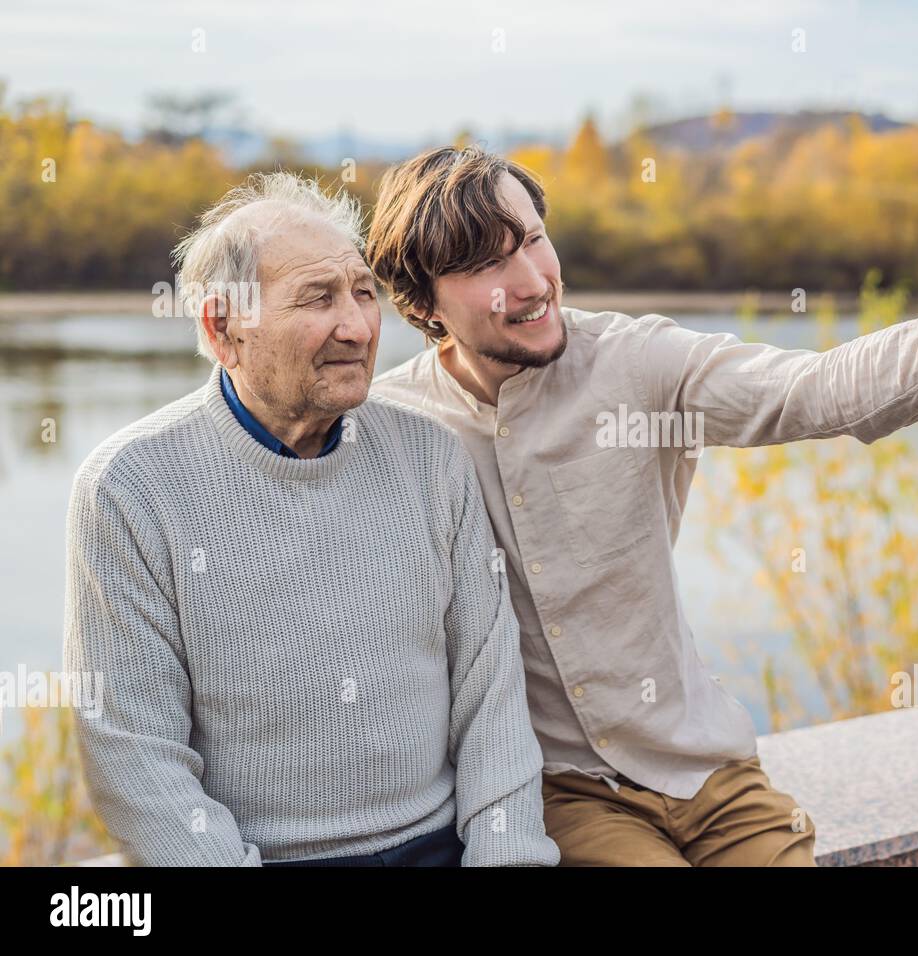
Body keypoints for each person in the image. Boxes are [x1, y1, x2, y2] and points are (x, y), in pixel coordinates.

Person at [365, 139, 918, 866]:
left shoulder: (637, 363)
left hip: (708, 768)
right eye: (487, 267)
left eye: (533, 239)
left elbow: (830, 391)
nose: (533, 283)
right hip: (561, 790)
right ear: (421, 302)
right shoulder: (393, 428)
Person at [62, 172, 559, 867]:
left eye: (362, 291)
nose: (357, 327)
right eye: (317, 299)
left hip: (442, 848)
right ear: (222, 326)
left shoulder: (431, 458)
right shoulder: (130, 487)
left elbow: (493, 699)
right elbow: (133, 756)